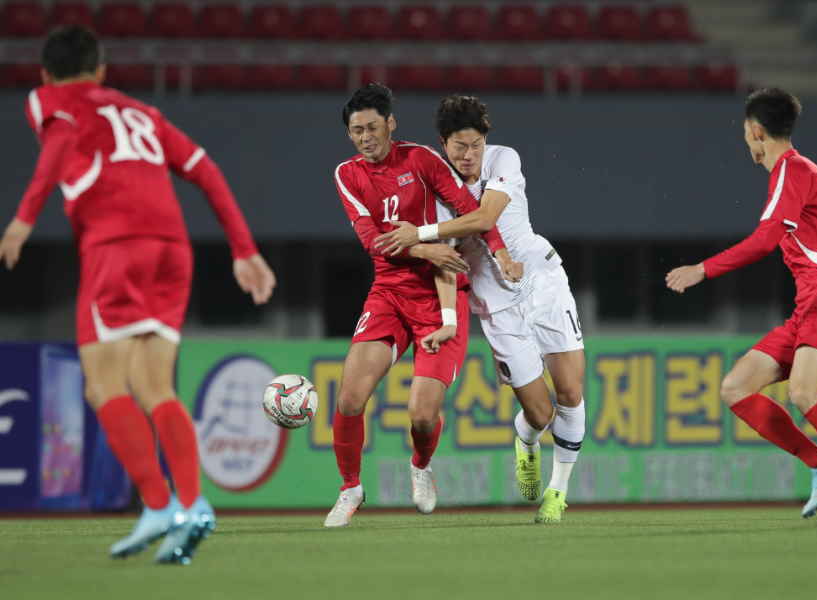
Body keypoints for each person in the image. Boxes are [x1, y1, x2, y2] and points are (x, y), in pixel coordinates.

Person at [0, 26, 276, 561]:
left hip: (116, 247)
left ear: (43, 74)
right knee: (155, 388)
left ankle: (157, 505)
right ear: (101, 70)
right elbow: (205, 170)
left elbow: (58, 144)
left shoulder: (49, 99)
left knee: (103, 388)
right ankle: (194, 504)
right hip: (173, 249)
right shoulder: (141, 113)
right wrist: (244, 249)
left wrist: (22, 220)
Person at [665, 87, 817, 527]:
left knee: (804, 393)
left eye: (745, 135)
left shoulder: (793, 171)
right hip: (813, 305)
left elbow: (767, 240)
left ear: (754, 132)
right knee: (736, 388)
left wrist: (703, 269)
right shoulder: (797, 175)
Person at [374, 95, 585, 524]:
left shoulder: (504, 158)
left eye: (476, 145)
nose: (470, 155)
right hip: (496, 308)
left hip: (542, 283)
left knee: (570, 393)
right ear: (443, 144)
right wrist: (449, 318)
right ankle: (525, 439)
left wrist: (422, 233)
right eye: (459, 147)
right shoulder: (430, 188)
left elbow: (485, 218)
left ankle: (557, 493)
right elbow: (445, 265)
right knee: (540, 413)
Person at [328, 84, 520, 527]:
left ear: (390, 124)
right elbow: (370, 241)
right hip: (390, 292)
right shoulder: (347, 174)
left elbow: (471, 209)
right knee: (352, 397)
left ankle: (420, 466)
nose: (365, 137)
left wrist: (502, 254)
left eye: (373, 127)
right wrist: (423, 249)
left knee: (421, 415)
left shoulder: (420, 160)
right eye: (356, 131)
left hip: (442, 292)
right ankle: (350, 488)